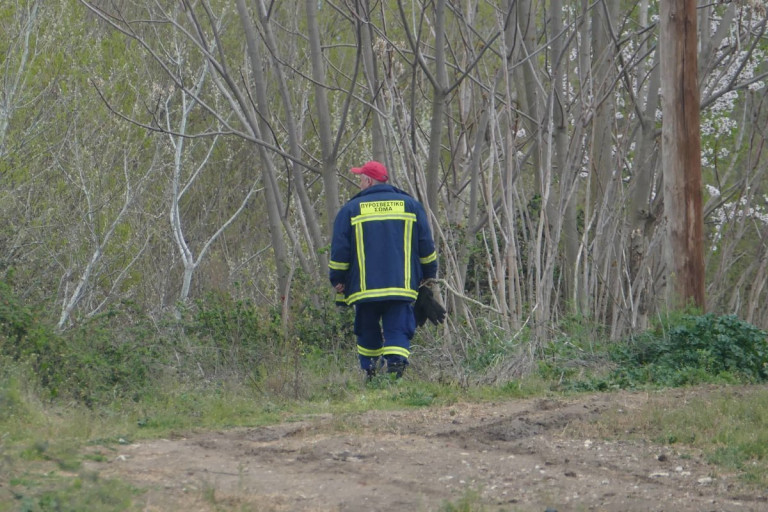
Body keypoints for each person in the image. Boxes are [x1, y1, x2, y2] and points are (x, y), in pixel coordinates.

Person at [329, 160, 437, 379]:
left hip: (364, 288)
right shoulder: (411, 206)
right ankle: (396, 372)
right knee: (397, 327)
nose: (359, 183)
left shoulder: (350, 209)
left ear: (368, 181)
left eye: (360, 179)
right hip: (401, 284)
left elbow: (340, 250)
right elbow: (426, 244)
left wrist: (337, 279)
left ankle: (371, 373)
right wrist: (429, 274)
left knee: (366, 328)